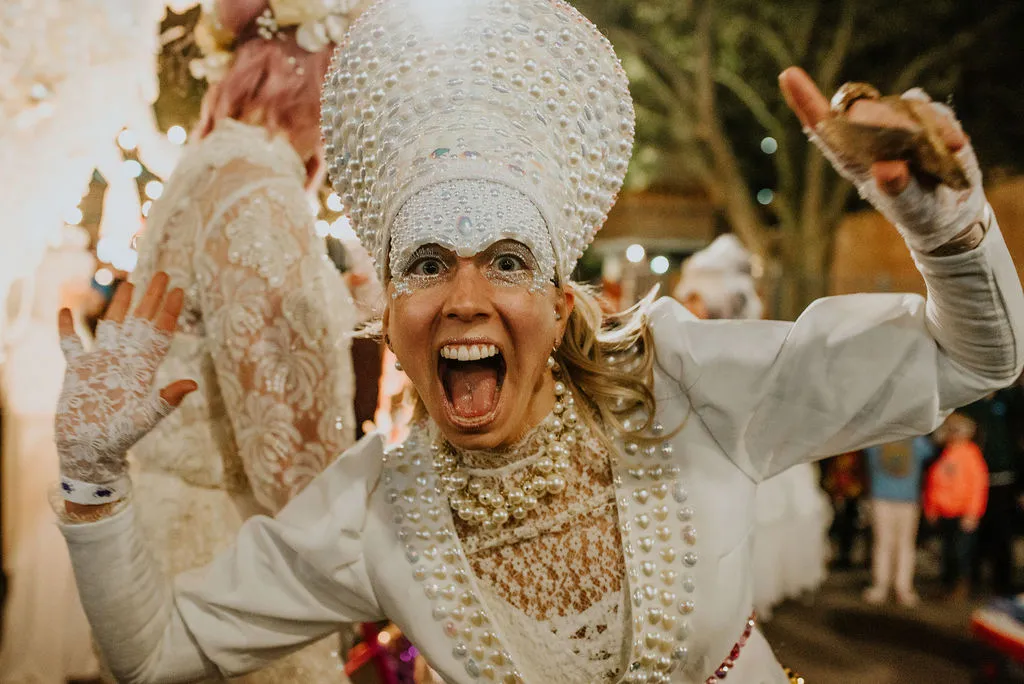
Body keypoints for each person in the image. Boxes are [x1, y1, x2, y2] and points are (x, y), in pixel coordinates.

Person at [51, 1, 1024, 682]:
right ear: (387, 314)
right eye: (426, 264)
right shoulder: (370, 512)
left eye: (507, 262)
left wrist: (947, 228)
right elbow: (154, 651)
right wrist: (92, 483)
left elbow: (975, 356)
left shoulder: (683, 389)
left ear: (559, 306)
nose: (466, 297)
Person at [122, 0, 368, 680]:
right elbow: (290, 445)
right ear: (319, 67)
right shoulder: (257, 190)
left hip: (181, 545)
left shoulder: (212, 168)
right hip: (234, 567)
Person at [674, 234, 832, 620]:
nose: (687, 305)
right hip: (706, 450)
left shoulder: (743, 345)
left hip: (745, 447)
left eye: (695, 298)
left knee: (750, 525)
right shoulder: (693, 341)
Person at [0, 227, 99, 682]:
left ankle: (72, 651)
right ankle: (38, 658)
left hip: (71, 479)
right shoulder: (37, 346)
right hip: (48, 475)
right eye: (75, 282)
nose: (84, 291)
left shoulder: (70, 334)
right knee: (44, 562)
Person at [963, 388, 1024, 595]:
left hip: (1004, 480)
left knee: (1002, 534)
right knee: (974, 534)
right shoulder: (971, 401)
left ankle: (1003, 584)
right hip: (974, 481)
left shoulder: (1009, 398)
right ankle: (971, 581)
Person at [863, 436, 935, 607]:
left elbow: (929, 451)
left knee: (900, 545)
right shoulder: (913, 439)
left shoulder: (914, 440)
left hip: (905, 500)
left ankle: (901, 587)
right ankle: (883, 586)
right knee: (888, 543)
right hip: (885, 498)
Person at [924, 413, 990, 601]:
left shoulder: (971, 454)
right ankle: (946, 585)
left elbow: (978, 486)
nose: (953, 433)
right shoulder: (944, 452)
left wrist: (973, 513)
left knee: (961, 553)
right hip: (945, 512)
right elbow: (934, 483)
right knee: (946, 553)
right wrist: (931, 507)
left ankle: (960, 587)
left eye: (957, 429)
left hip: (962, 513)